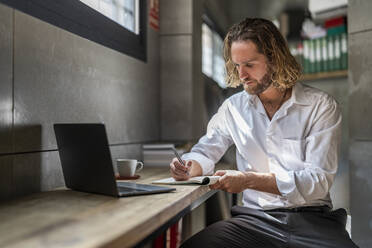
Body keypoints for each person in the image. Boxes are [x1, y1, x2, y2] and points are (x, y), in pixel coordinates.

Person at [170, 18, 358, 248]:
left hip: (313, 220)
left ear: (274, 59)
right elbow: (206, 151)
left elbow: (317, 182)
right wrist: (189, 166)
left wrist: (249, 180)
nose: (242, 75)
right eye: (237, 65)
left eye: (249, 64)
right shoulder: (233, 108)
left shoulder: (321, 106)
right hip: (254, 221)